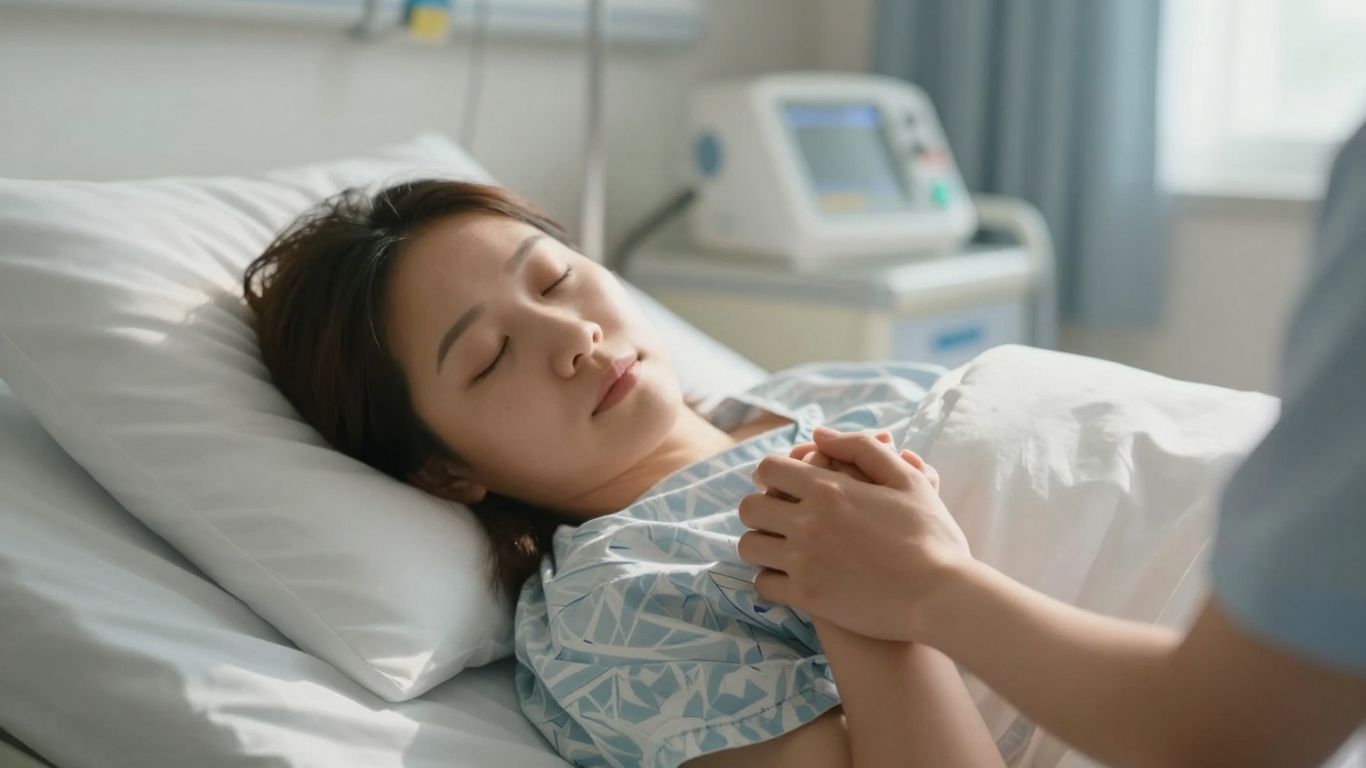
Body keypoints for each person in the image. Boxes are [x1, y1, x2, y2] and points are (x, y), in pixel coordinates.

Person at [242, 180, 1006, 767]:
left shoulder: (818, 392)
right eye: (492, 356)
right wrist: (857, 591)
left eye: (551, 281)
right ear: (445, 473)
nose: (575, 333)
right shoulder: (617, 606)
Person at [737, 122, 1366, 767]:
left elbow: (1228, 732)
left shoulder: (812, 387)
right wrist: (870, 609)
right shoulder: (639, 584)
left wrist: (919, 585)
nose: (619, 351)